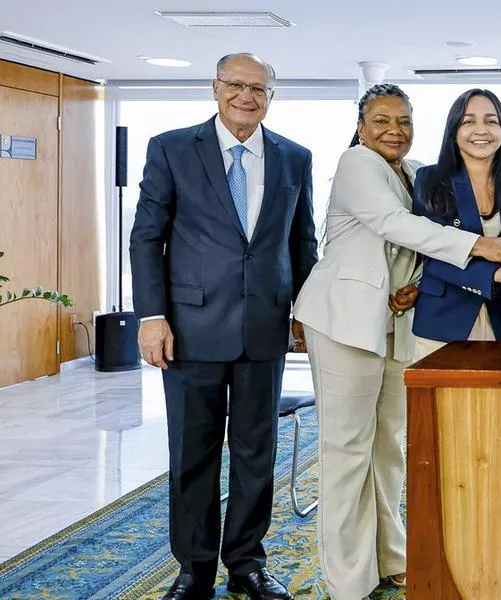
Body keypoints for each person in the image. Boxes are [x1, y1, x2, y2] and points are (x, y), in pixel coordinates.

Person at [292, 84, 501, 600]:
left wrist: (416, 283)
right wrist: (482, 246)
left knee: (388, 448)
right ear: (360, 125)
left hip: (393, 321)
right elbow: (394, 225)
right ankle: (346, 577)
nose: (393, 130)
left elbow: (418, 245)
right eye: (381, 120)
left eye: (403, 120)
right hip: (344, 319)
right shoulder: (357, 162)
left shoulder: (413, 172)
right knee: (347, 448)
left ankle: (390, 554)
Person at [130, 53, 315, 600]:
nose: (246, 96)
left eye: (258, 88)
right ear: (214, 89)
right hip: (188, 328)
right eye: (235, 85)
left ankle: (247, 564)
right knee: (193, 452)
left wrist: (304, 312)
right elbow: (146, 237)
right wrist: (151, 316)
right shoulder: (170, 148)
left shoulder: (294, 158)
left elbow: (301, 242)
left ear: (271, 96)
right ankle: (193, 570)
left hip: (265, 327)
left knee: (258, 453)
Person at [410, 88, 501, 351]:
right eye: (468, 121)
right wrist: (497, 273)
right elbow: (431, 256)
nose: (481, 130)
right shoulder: (429, 180)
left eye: (491, 121)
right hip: (442, 324)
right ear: (454, 130)